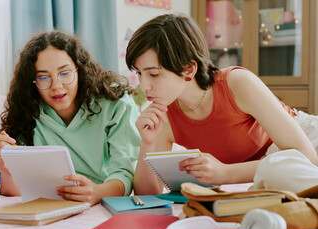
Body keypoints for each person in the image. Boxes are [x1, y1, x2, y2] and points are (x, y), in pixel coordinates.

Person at [125, 13, 318, 195]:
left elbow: (306, 156)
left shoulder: (237, 83)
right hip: (266, 172)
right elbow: (147, 196)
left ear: (188, 70)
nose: (144, 86)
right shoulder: (163, 114)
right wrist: (147, 144)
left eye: (154, 74)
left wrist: (225, 173)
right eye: (139, 73)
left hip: (305, 143)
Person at [0, 31, 141, 205]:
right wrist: (7, 170)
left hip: (103, 195)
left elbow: (125, 172)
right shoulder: (26, 112)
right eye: (43, 77)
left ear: (80, 70)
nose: (57, 86)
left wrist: (98, 193)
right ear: (32, 82)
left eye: (65, 73)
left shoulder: (115, 101)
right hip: (52, 203)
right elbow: (18, 191)